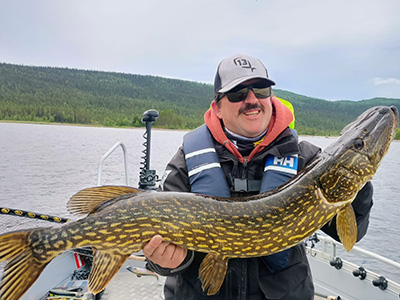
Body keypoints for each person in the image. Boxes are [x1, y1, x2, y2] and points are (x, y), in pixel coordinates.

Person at [143, 54, 373, 299]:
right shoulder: (187, 162)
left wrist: (358, 185)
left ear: (271, 97)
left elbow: (351, 233)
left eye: (261, 90)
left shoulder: (306, 159)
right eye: (237, 93)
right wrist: (167, 261)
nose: (251, 100)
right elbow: (159, 252)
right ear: (218, 107)